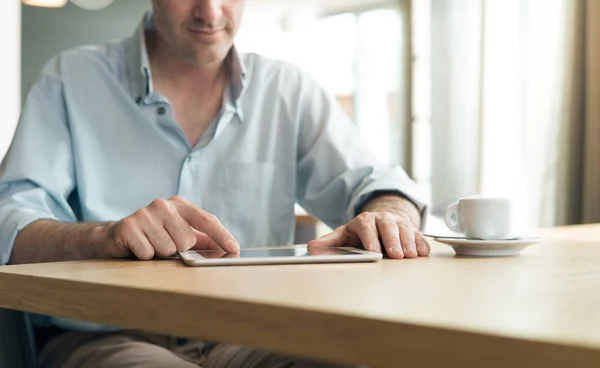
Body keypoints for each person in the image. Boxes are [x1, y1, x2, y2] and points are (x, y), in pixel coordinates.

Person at [0, 0, 429, 367]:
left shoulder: (286, 90)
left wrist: (389, 215)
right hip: (106, 339)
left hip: (252, 334)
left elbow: (383, 185)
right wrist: (101, 237)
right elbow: (8, 223)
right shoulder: (70, 79)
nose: (210, 11)